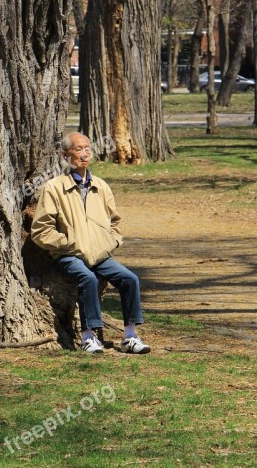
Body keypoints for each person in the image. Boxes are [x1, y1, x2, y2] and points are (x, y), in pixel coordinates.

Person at [30, 132, 150, 355]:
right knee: (88, 278)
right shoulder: (54, 188)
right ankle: (88, 337)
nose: (84, 154)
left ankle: (130, 337)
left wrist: (110, 241)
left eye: (87, 149)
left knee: (130, 279)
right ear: (65, 155)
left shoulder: (101, 186)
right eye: (78, 149)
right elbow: (40, 230)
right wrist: (67, 242)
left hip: (100, 254)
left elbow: (115, 221)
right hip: (69, 255)